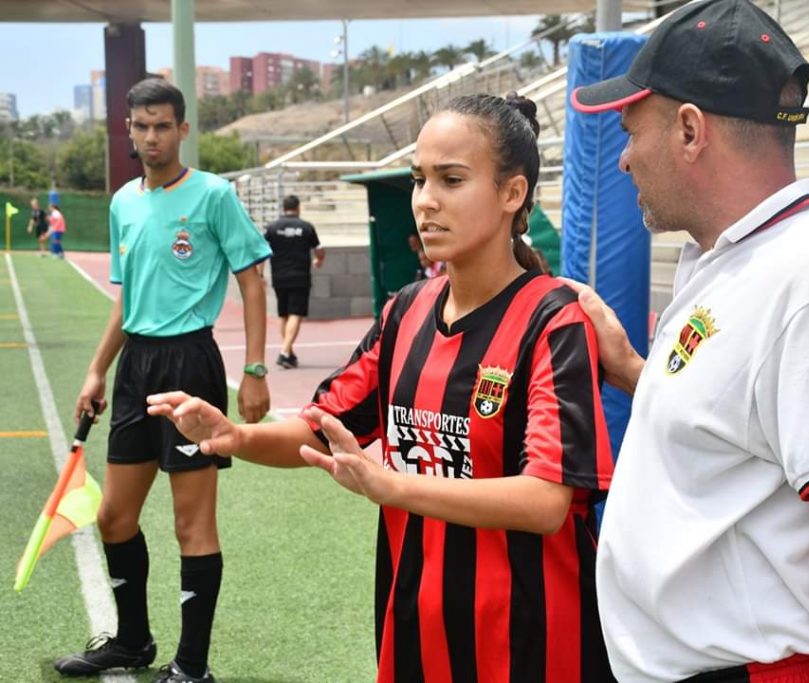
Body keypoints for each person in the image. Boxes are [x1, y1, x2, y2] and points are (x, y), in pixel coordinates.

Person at [147, 92, 617, 682]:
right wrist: (237, 436)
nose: (426, 201)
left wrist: (392, 485)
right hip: (415, 621)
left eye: (451, 180)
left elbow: (546, 502)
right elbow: (324, 428)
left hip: (530, 639)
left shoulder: (553, 320)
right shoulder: (405, 311)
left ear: (512, 193)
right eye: (420, 180)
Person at [568, 1, 809, 681]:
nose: (623, 159)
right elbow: (744, 430)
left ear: (690, 130)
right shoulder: (739, 259)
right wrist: (635, 371)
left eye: (631, 131)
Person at [54, 78, 272, 683]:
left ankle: (192, 667)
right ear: (129, 130)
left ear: (183, 129)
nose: (152, 136)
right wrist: (97, 369)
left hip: (189, 364)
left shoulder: (213, 195)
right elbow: (127, 297)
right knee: (114, 517)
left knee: (191, 524)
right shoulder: (124, 202)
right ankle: (132, 642)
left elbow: (252, 281)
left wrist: (255, 369)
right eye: (142, 126)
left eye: (163, 126)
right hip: (136, 367)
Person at [262, 194, 325, 369]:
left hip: (279, 276)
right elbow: (319, 250)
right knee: (295, 314)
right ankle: (284, 352)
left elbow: (260, 251)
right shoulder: (306, 227)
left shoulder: (272, 227)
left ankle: (289, 352)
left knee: (283, 315)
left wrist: (260, 275)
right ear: (298, 208)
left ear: (283, 208)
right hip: (300, 277)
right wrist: (318, 260)